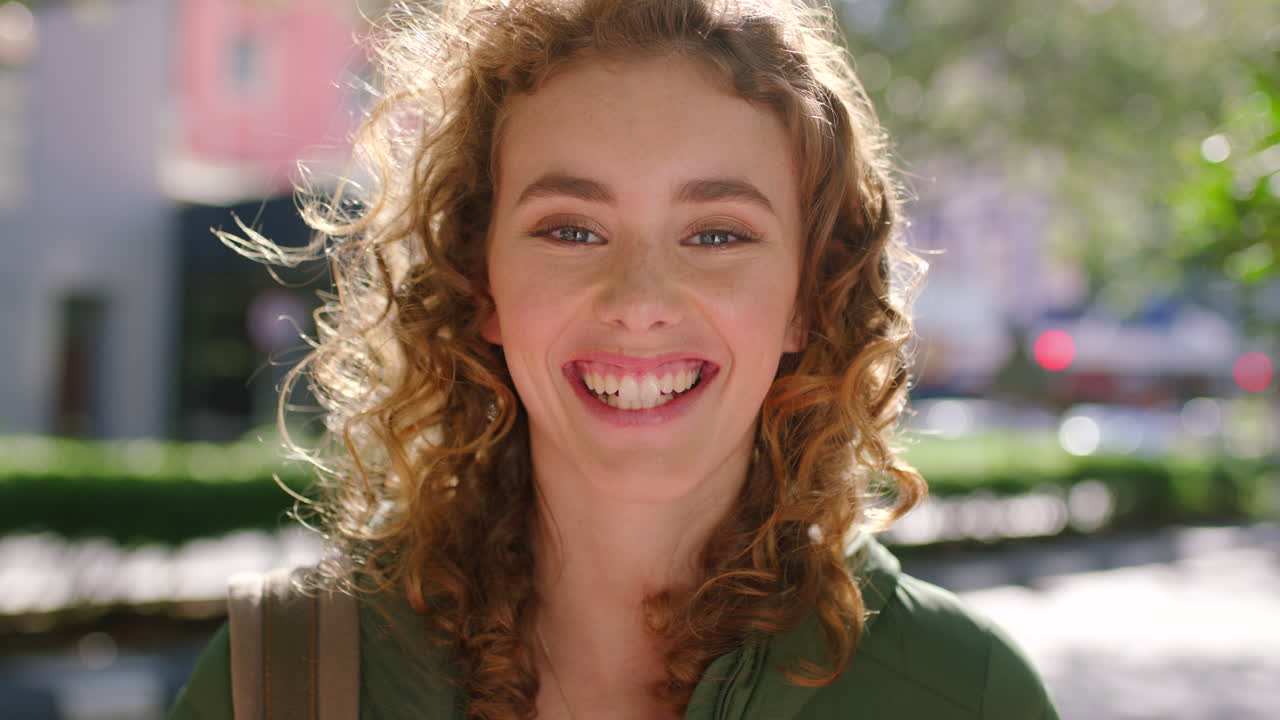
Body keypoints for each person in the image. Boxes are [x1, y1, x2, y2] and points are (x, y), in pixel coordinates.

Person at [170, 0, 1059, 718]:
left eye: (716, 234)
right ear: (482, 283)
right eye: (571, 229)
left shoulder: (963, 696)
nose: (639, 301)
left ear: (806, 299)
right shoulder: (282, 676)